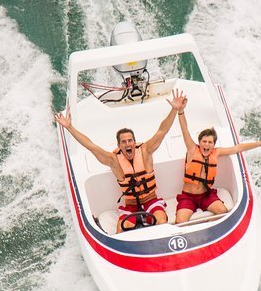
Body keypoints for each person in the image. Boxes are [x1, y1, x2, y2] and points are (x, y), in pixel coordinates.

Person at [54, 89, 187, 233]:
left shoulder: (145, 151)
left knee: (161, 220)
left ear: (135, 142)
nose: (127, 144)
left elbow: (162, 131)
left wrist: (174, 109)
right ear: (119, 146)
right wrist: (69, 127)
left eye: (130, 140)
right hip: (130, 206)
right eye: (123, 142)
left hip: (151, 201)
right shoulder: (114, 161)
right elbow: (91, 146)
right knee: (121, 229)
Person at [175, 97, 261, 224]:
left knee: (223, 212)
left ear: (213, 144)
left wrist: (259, 144)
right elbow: (184, 130)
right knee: (180, 221)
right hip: (188, 196)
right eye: (204, 141)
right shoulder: (192, 149)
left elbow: (238, 148)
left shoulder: (217, 152)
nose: (207, 145)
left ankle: (207, 226)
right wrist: (181, 111)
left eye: (210, 142)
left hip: (206, 195)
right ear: (199, 142)